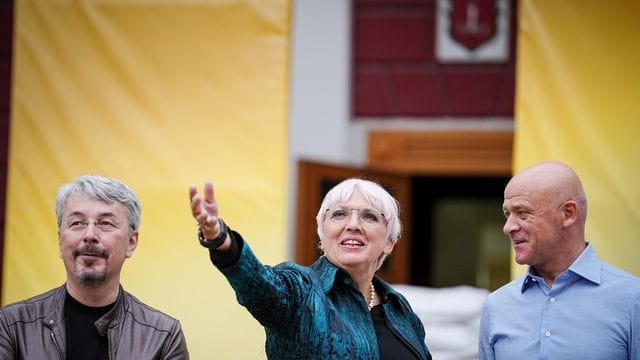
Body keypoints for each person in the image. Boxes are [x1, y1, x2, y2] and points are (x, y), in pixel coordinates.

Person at [189, 178, 432, 359]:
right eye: (339, 214)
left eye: (370, 217)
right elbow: (259, 284)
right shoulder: (300, 290)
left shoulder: (399, 309)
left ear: (389, 242)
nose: (353, 224)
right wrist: (222, 240)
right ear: (322, 233)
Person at [0, 175, 189, 359]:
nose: (89, 234)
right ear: (60, 241)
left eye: (105, 223)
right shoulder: (11, 325)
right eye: (77, 223)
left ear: (131, 242)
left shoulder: (163, 337)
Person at [478, 161, 640, 360]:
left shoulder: (632, 300)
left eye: (522, 213)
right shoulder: (496, 307)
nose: (508, 227)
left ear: (568, 214)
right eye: (507, 214)